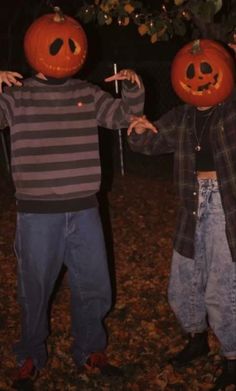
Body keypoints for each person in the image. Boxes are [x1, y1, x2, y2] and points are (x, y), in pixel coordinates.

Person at [0, 22, 144, 391]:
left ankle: (91, 350)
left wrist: (132, 88)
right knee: (34, 288)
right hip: (37, 214)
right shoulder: (16, 96)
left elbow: (123, 117)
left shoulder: (87, 92)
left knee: (94, 285)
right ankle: (30, 353)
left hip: (84, 210)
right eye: (57, 43)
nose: (67, 50)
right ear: (35, 49)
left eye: (72, 43)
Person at [127, 39, 236, 391]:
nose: (201, 77)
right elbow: (148, 143)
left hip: (225, 202)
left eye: (208, 70)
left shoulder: (233, 110)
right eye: (192, 72)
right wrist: (140, 130)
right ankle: (196, 338)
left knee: (223, 286)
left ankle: (233, 356)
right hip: (192, 201)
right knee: (184, 279)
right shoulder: (183, 116)